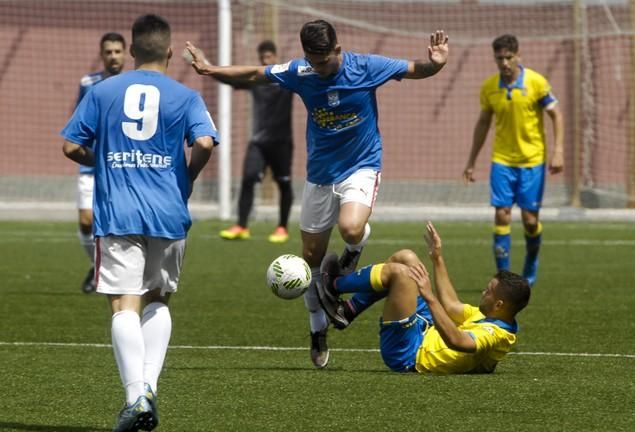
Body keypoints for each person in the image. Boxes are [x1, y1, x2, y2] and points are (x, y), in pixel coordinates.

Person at [186, 20, 449, 368]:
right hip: (320, 175)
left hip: (362, 165)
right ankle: (317, 329)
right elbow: (254, 74)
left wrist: (437, 62)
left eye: (323, 61)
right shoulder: (301, 71)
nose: (318, 68)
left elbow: (418, 69)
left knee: (352, 228)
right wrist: (210, 68)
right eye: (312, 60)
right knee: (309, 260)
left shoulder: (367, 67)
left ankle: (351, 253)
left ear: (338, 50)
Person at [61, 14, 218, 432]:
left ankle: (136, 396)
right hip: (168, 210)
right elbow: (204, 142)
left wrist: (105, 160)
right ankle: (147, 389)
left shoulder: (103, 91)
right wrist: (189, 175)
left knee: (122, 303)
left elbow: (71, 145)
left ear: (131, 50)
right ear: (169, 52)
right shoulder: (185, 95)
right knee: (158, 299)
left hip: (119, 211)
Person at [317, 222, 530, 374]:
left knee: (400, 274)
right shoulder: (490, 316)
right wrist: (437, 258)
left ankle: (334, 284)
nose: (483, 292)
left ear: (499, 304)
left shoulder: (495, 335)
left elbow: (457, 341)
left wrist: (429, 297)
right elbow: (452, 305)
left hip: (410, 353)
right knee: (406, 258)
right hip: (425, 328)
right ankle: (348, 310)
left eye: (488, 290)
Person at [463, 34, 564, 287]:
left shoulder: (536, 83)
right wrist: (471, 161)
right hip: (502, 160)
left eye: (509, 57)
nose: (505, 63)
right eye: (500, 58)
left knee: (530, 221)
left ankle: (531, 258)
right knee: (502, 215)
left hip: (532, 160)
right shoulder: (489, 88)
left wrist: (559, 150)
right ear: (494, 58)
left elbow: (556, 115)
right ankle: (505, 279)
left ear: (519, 56)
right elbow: (483, 123)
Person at [206, 40, 294, 243]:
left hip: (282, 142)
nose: (265, 60)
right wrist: (208, 66)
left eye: (268, 57)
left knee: (284, 183)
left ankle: (282, 227)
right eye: (262, 57)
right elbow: (231, 79)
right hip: (258, 142)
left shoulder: (287, 80)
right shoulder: (257, 79)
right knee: (248, 179)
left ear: (275, 56)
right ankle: (242, 225)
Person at [76, 32, 126, 293]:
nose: (113, 56)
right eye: (109, 52)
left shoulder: (133, 84)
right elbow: (80, 121)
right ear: (102, 54)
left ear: (125, 53)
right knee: (86, 221)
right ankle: (97, 266)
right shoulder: (88, 83)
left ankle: (114, 271)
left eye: (118, 51)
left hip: (121, 164)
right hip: (92, 162)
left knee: (116, 223)